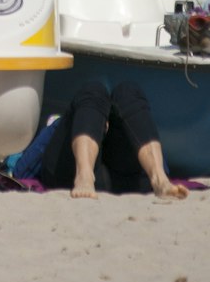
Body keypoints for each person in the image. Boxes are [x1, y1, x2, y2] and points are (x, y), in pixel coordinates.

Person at [36, 80, 188, 200]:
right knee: (94, 90)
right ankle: (84, 176)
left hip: (119, 177)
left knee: (127, 90)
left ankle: (159, 179)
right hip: (74, 173)